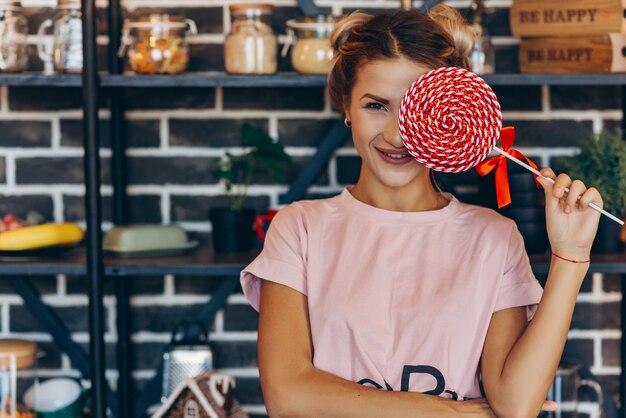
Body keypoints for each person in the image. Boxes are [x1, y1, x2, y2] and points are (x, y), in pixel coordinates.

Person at [240, 5, 603, 417]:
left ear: (454, 112)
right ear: (346, 106)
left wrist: (570, 258)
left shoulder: (494, 236)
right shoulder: (299, 229)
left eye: (418, 111)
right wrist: (449, 412)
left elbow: (515, 405)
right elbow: (287, 397)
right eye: (376, 105)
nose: (397, 134)